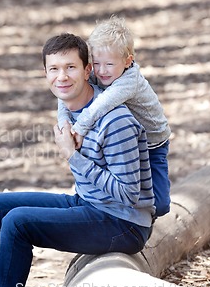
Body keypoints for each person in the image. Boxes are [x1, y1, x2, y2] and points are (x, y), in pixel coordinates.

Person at [0, 33, 155, 287]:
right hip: (89, 204)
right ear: (45, 73)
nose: (62, 77)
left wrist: (73, 156)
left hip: (123, 223)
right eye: (54, 69)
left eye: (71, 67)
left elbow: (128, 194)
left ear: (87, 70)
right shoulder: (71, 106)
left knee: (17, 222)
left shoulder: (115, 122)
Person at [57, 16, 171, 218]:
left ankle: (144, 225)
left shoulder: (129, 80)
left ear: (127, 61)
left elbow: (101, 104)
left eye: (109, 64)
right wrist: (63, 122)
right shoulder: (102, 72)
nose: (101, 71)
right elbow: (67, 91)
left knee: (160, 204)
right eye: (97, 63)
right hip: (126, 140)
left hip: (153, 144)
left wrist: (80, 129)